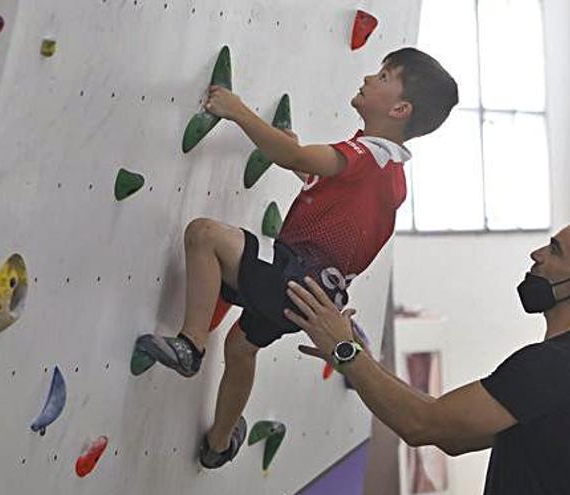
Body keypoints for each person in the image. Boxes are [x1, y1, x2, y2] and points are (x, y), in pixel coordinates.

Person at [133, 47, 458, 468]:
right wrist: (298, 159)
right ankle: (218, 444)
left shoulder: (368, 156)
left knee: (205, 235)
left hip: (295, 274)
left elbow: (301, 158)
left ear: (399, 108)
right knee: (241, 346)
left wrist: (237, 111)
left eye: (382, 76)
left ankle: (190, 344)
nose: (368, 78)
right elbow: (324, 183)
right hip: (312, 296)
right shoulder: (388, 170)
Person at [285, 220, 570, 494]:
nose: (537, 254)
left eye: (555, 250)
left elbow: (422, 425)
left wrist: (346, 352)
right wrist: (363, 359)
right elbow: (452, 437)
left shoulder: (555, 366)